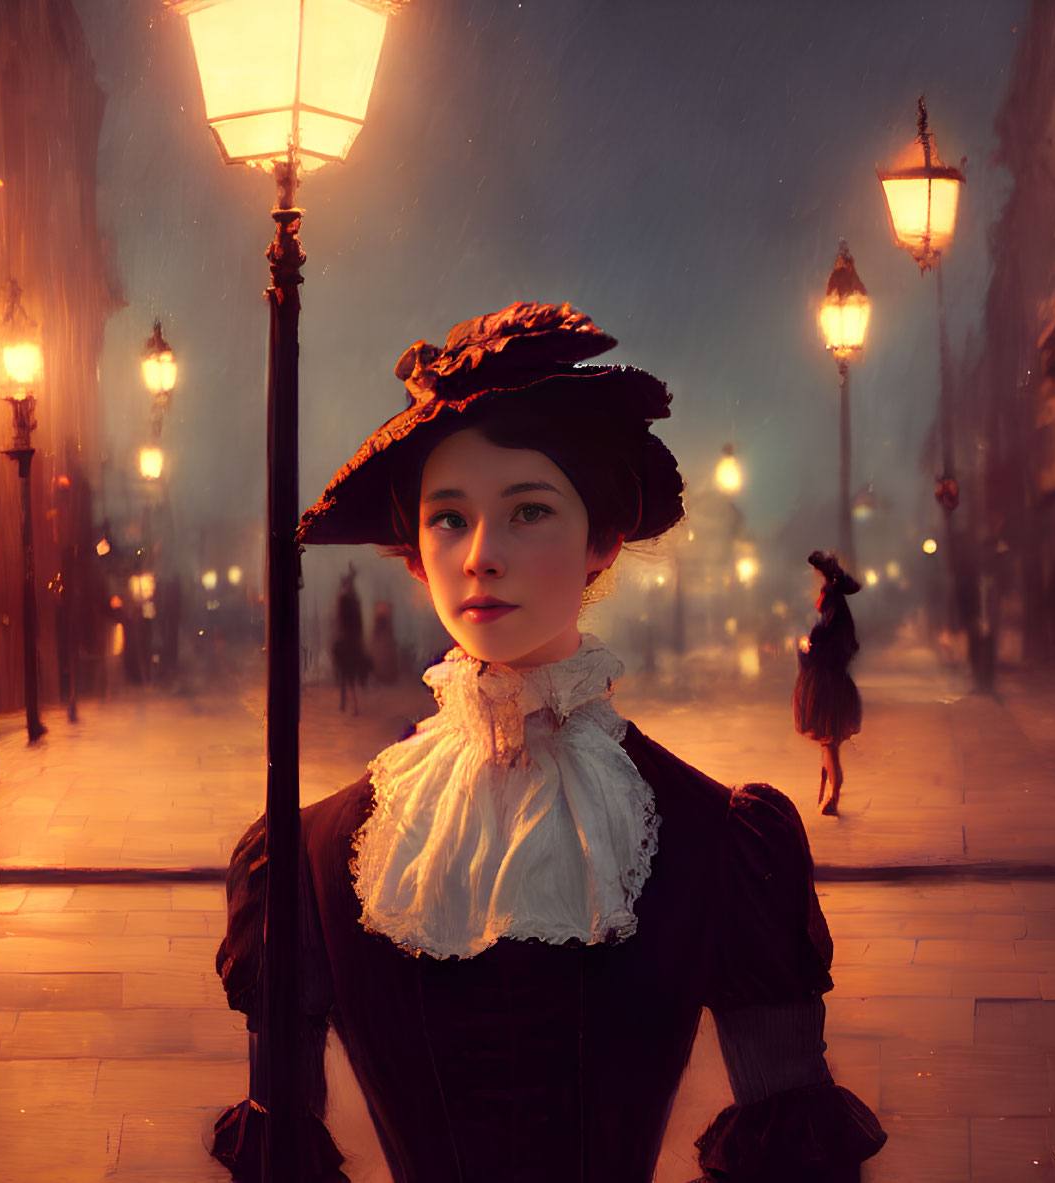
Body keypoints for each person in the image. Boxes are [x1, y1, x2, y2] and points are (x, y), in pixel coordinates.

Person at [211, 303, 885, 1182]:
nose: (480, 555)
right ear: (415, 551)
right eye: (447, 517)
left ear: (603, 540)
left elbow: (792, 1153)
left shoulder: (721, 841)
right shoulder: (310, 856)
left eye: (527, 510)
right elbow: (280, 1155)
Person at [792, 551, 862, 817]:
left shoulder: (828, 625)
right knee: (828, 743)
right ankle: (832, 793)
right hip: (834, 683)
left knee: (828, 742)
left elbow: (819, 654)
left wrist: (806, 648)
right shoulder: (837, 622)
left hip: (826, 687)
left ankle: (833, 796)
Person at [332, 566, 370, 714]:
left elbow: (356, 620)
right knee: (345, 672)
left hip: (352, 637)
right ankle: (347, 703)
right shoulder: (346, 600)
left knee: (351, 673)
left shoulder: (350, 600)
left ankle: (353, 704)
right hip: (347, 636)